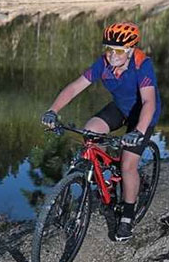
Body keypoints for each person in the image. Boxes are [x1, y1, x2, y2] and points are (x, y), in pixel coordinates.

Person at [40, 21, 162, 242]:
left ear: (130, 49)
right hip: (120, 108)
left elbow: (149, 102)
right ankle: (100, 174)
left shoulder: (142, 64)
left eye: (118, 51)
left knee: (127, 165)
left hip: (143, 114)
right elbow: (76, 86)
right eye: (108, 49)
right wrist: (53, 110)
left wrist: (139, 131)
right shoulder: (103, 64)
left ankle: (126, 216)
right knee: (89, 132)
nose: (112, 55)